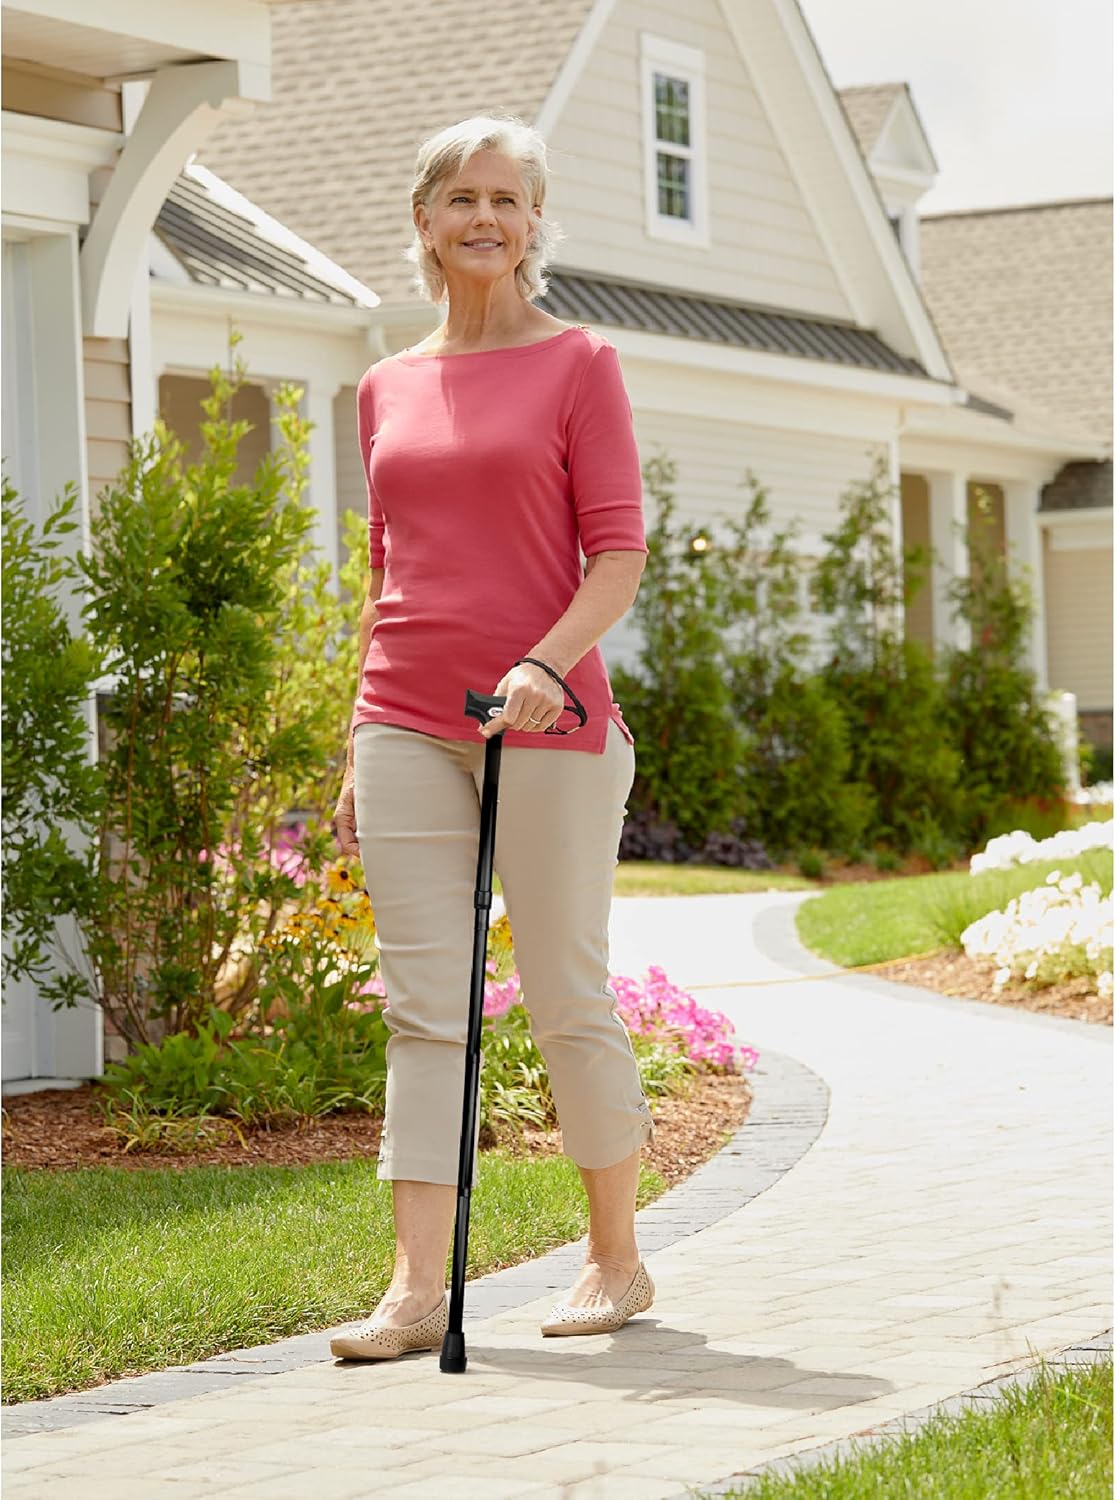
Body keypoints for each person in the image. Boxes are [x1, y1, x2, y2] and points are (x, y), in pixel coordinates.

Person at [328, 114, 655, 1362]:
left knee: (567, 994)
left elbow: (615, 557)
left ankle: (616, 1263)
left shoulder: (581, 363)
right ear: (424, 221)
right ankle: (417, 1292)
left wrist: (540, 661)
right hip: (404, 716)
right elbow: (386, 571)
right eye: (460, 197)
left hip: (548, 723)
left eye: (507, 200)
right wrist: (351, 741)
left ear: (532, 225)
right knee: (425, 1008)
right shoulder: (385, 385)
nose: (484, 218)